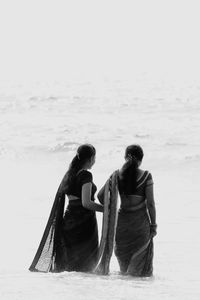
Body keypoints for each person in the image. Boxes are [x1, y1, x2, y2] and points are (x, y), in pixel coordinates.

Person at [29, 144, 103, 273]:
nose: (94, 161)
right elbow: (86, 203)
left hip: (69, 222)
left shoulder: (69, 174)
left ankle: (68, 289)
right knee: (85, 267)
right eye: (94, 158)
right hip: (84, 226)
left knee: (70, 266)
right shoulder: (86, 175)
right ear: (90, 158)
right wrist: (107, 209)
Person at [97, 144, 157, 277]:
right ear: (141, 160)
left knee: (124, 270)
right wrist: (153, 225)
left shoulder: (116, 175)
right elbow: (151, 204)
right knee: (139, 273)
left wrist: (111, 209)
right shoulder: (146, 176)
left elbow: (101, 197)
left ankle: (125, 292)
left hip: (122, 225)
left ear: (125, 157)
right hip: (140, 226)